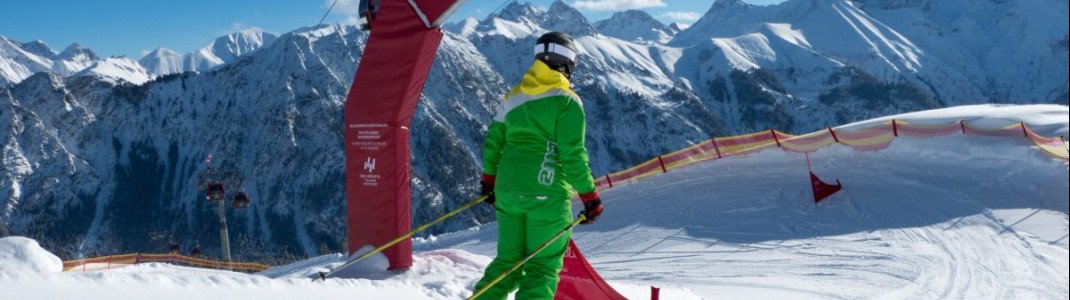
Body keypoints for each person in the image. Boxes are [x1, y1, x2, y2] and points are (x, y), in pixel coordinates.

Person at [473, 31, 604, 300]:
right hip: (546, 194)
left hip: (508, 192)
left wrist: (489, 179)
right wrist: (589, 196)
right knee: (541, 269)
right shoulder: (567, 100)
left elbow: (493, 141)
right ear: (567, 63)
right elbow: (572, 154)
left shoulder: (513, 97)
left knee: (507, 263)